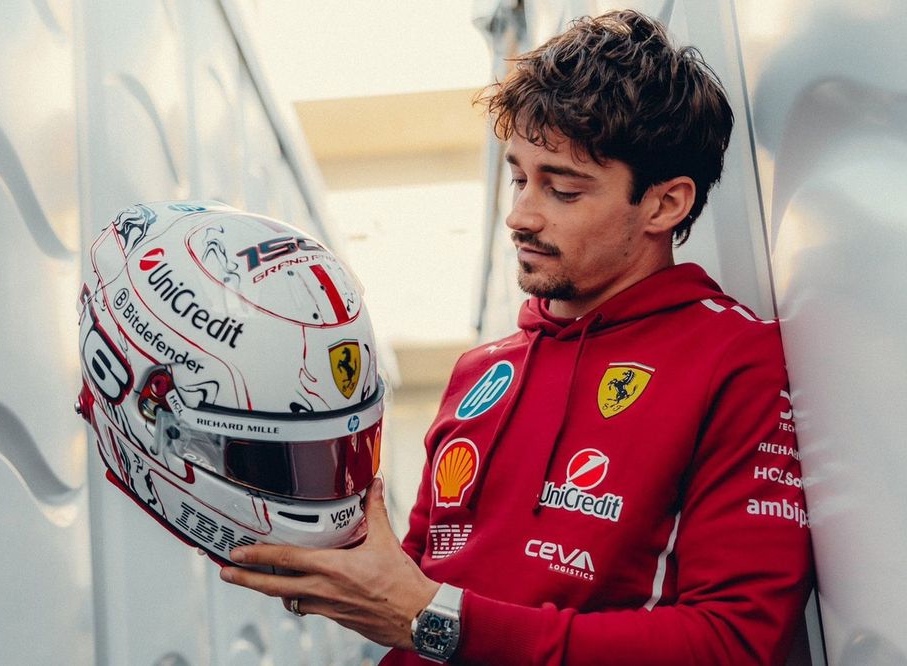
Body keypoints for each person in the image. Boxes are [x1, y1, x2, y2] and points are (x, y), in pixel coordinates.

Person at [219, 10, 812, 665]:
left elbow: (732, 644)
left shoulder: (738, 362)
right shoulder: (481, 370)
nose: (520, 215)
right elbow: (414, 590)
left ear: (665, 205)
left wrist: (435, 619)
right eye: (519, 176)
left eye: (562, 189)